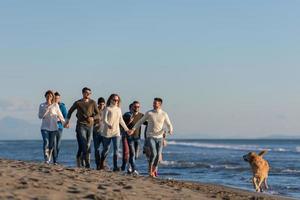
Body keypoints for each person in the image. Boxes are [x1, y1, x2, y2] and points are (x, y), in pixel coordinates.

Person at [130, 97, 173, 177]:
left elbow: (169, 124)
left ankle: (153, 171)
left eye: (155, 103)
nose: (153, 105)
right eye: (153, 103)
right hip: (150, 136)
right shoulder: (149, 113)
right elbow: (140, 121)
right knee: (154, 153)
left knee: (158, 156)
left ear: (160, 105)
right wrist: (133, 129)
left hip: (159, 137)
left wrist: (170, 130)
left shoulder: (164, 114)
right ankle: (150, 170)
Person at [64, 87, 99, 168]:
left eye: (89, 93)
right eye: (86, 93)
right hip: (81, 125)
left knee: (88, 144)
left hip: (90, 126)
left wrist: (93, 118)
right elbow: (70, 111)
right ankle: (87, 164)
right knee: (84, 143)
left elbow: (98, 114)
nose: (88, 94)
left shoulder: (93, 102)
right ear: (83, 93)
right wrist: (67, 121)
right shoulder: (78, 103)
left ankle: (84, 160)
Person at [100, 94, 130, 171]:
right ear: (111, 100)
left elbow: (121, 120)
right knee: (106, 149)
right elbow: (104, 119)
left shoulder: (119, 109)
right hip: (107, 132)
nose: (116, 101)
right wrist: (108, 124)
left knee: (116, 149)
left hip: (116, 132)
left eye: (117, 100)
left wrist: (127, 129)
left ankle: (115, 167)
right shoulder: (107, 109)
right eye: (114, 100)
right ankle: (101, 163)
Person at [38, 90, 65, 164]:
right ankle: (46, 159)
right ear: (45, 96)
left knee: (51, 145)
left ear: (52, 97)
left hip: (54, 128)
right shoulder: (42, 105)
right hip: (44, 127)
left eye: (50, 96)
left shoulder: (55, 105)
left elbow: (60, 115)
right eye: (47, 96)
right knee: (46, 142)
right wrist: (46, 110)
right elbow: (40, 116)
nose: (49, 97)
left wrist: (64, 123)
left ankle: (49, 157)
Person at [121, 101, 145, 174]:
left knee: (136, 155)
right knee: (132, 153)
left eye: (138, 107)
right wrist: (129, 121)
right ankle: (134, 169)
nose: (136, 108)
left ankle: (129, 166)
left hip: (137, 137)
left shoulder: (141, 115)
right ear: (131, 107)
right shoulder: (127, 115)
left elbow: (147, 123)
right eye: (135, 107)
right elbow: (121, 124)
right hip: (129, 137)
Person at [54, 92, 67, 164]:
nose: (56, 99)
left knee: (58, 145)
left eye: (58, 98)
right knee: (53, 144)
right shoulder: (51, 106)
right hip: (52, 127)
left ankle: (56, 158)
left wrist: (59, 119)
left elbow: (65, 116)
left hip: (60, 127)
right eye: (55, 98)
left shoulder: (62, 106)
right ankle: (54, 160)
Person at [93, 97, 106, 170]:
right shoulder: (94, 110)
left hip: (105, 133)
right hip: (96, 132)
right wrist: (96, 118)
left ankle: (103, 164)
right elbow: (91, 118)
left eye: (103, 104)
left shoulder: (106, 110)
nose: (102, 105)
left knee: (105, 149)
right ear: (98, 104)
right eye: (100, 104)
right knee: (97, 149)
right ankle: (98, 165)